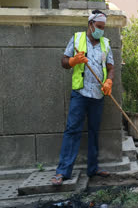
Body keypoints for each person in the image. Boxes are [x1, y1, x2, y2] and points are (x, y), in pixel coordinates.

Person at [51, 10, 114, 185]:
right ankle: (62, 171)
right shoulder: (77, 39)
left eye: (103, 27)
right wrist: (73, 61)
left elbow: (111, 67)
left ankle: (93, 168)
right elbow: (63, 61)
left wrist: (109, 81)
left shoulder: (106, 43)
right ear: (90, 24)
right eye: (99, 27)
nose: (101, 30)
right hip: (80, 94)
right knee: (72, 131)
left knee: (94, 132)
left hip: (98, 95)